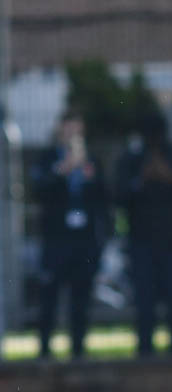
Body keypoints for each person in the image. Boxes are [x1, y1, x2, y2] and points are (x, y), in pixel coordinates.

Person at [115, 110, 172, 356]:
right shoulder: (132, 159)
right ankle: (145, 352)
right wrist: (141, 180)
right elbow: (118, 194)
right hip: (141, 241)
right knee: (144, 301)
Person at [32, 110, 109, 359]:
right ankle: (44, 349)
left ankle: (78, 349)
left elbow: (104, 198)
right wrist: (62, 170)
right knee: (49, 297)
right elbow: (39, 190)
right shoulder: (48, 158)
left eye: (78, 129)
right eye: (69, 129)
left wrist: (91, 178)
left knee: (81, 298)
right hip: (56, 239)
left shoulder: (92, 160)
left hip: (83, 240)